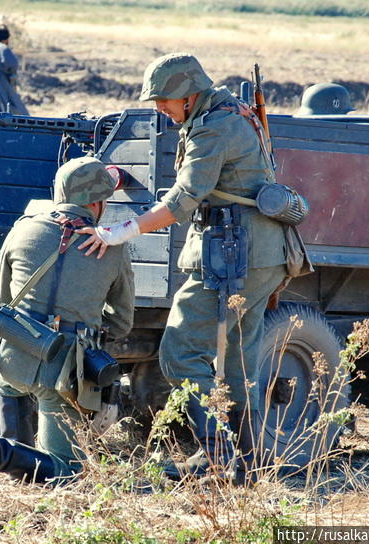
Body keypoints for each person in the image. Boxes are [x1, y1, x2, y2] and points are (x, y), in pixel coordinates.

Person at [77, 53, 289, 481]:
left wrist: (118, 232)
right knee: (239, 362)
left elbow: (182, 200)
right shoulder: (232, 114)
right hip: (260, 254)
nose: (160, 109)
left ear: (189, 95)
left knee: (178, 355)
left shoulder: (214, 128)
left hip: (231, 257)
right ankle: (245, 460)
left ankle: (218, 457)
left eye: (164, 101)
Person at [0, 157, 135, 487]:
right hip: (64, 370)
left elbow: (4, 299)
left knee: (10, 395)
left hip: (11, 355)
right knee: (68, 472)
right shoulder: (112, 247)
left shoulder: (22, 228)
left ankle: (4, 456)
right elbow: (122, 322)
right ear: (97, 202)